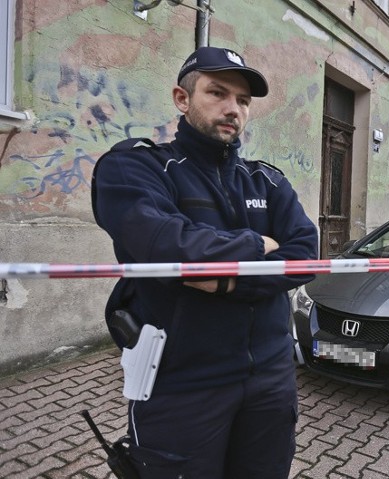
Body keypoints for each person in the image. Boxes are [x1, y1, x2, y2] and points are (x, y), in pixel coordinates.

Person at [91, 46, 318, 478]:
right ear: (182, 98)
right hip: (181, 383)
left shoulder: (268, 181)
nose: (233, 109)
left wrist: (225, 282)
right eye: (217, 93)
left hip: (270, 379)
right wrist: (261, 245)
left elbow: (306, 255)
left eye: (244, 101)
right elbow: (169, 246)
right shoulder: (135, 168)